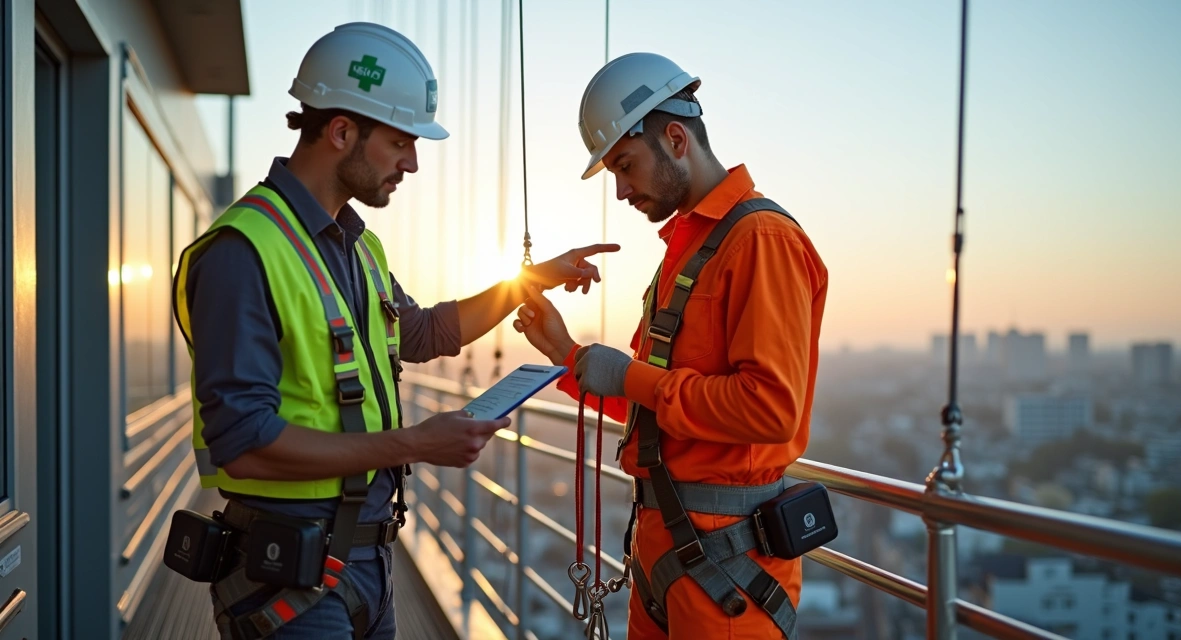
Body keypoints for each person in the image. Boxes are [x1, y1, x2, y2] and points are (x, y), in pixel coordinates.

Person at [172, 23, 616, 639]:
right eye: (401, 141)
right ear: (342, 131)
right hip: (288, 572)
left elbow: (424, 332)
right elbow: (242, 442)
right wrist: (413, 444)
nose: (411, 162)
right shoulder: (241, 253)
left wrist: (528, 280)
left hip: (367, 561)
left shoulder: (358, 247)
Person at [513, 53, 828, 639]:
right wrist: (567, 355)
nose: (622, 189)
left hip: (728, 574)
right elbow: (657, 412)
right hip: (670, 554)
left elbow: (769, 409)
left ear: (676, 139)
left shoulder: (760, 241)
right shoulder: (688, 251)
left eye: (626, 165)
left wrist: (624, 375)